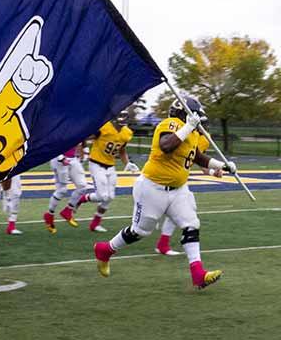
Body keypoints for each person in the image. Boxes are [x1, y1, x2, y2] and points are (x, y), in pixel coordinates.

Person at [94, 96, 236, 289]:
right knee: (140, 231)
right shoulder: (170, 124)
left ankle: (198, 274)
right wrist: (187, 127)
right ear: (186, 113)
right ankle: (105, 250)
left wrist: (224, 166)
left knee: (191, 224)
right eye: (196, 115)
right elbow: (166, 146)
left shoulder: (192, 133)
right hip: (153, 187)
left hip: (177, 190)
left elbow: (198, 158)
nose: (199, 119)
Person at [154, 118, 220, 256]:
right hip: (164, 175)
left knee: (189, 209)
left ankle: (164, 243)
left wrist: (214, 171)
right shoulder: (183, 130)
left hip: (180, 179)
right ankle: (163, 240)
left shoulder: (202, 139)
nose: (204, 127)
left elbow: (201, 163)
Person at [76, 110, 139, 232]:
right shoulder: (104, 128)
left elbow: (121, 150)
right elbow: (84, 137)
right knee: (102, 196)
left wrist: (127, 163)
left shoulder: (127, 133)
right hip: (96, 163)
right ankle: (81, 199)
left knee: (110, 197)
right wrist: (82, 149)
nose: (121, 125)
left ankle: (95, 223)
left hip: (110, 166)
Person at [43, 143, 89, 234]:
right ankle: (49, 215)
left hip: (73, 158)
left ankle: (67, 211)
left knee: (82, 186)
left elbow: (83, 139)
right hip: (59, 159)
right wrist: (61, 157)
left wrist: (86, 153)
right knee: (62, 190)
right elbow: (53, 140)